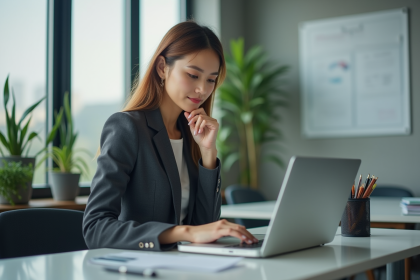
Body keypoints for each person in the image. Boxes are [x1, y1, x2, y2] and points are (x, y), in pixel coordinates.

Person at [82, 21, 258, 251]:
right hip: (140, 269)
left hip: (185, 266)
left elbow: (204, 227)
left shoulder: (192, 135)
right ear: (162, 67)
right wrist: (184, 232)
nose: (202, 90)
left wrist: (208, 155)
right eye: (193, 75)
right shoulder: (127, 127)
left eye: (211, 80)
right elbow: (95, 228)